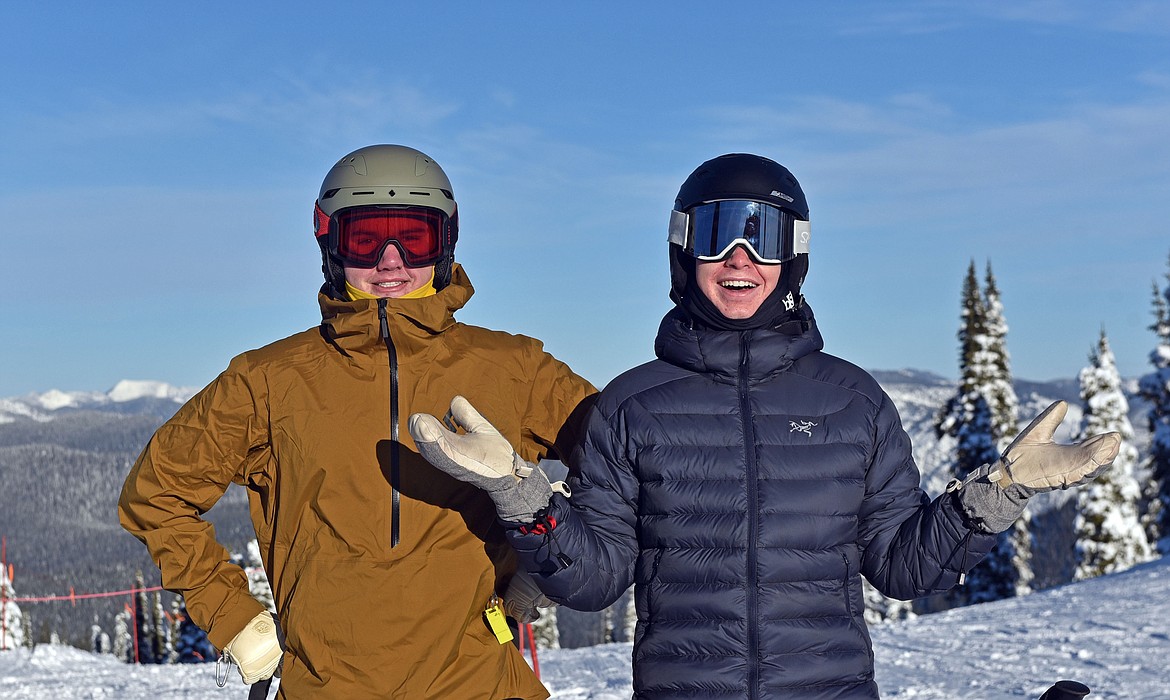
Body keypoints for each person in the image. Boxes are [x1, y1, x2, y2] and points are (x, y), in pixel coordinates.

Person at [406, 153, 1122, 699]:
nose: (739, 258)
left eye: (764, 236)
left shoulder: (852, 402)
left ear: (795, 255)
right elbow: (593, 580)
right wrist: (518, 493)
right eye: (718, 235)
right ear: (685, 252)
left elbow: (906, 564)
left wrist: (999, 492)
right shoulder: (634, 407)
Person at [118, 144, 596, 699]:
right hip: (326, 686)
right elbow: (156, 493)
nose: (390, 261)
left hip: (481, 684)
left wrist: (554, 556)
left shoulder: (514, 369)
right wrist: (234, 617)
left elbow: (629, 465)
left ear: (446, 241)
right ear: (329, 243)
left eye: (413, 237)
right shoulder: (267, 381)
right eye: (365, 238)